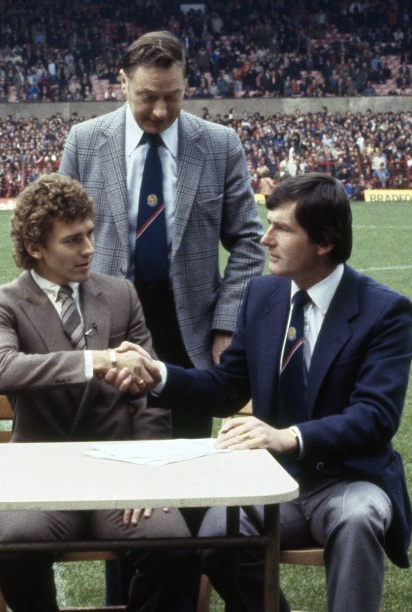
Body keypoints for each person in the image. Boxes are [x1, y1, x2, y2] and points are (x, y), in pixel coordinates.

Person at [113, 173, 412, 611]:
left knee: (359, 518)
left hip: (350, 479)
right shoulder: (263, 294)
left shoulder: (384, 310)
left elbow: (376, 415)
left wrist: (288, 436)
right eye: (267, 223)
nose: (264, 237)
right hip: (275, 482)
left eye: (282, 228)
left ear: (325, 242)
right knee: (216, 538)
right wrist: (157, 374)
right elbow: (226, 387)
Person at [0, 173, 193, 611]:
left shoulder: (120, 294)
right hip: (40, 476)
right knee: (13, 545)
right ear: (35, 247)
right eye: (73, 240)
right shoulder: (2, 302)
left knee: (173, 542)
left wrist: (146, 471)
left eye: (90, 234)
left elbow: (149, 396)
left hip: (119, 470)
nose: (89, 249)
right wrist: (97, 360)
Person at [59, 30, 266, 440]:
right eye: (147, 96)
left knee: (185, 463)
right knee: (104, 454)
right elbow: (57, 240)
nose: (158, 110)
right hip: (104, 326)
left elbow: (247, 241)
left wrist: (225, 324)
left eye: (172, 96)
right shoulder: (84, 143)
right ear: (122, 83)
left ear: (186, 83)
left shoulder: (220, 145)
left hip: (188, 334)